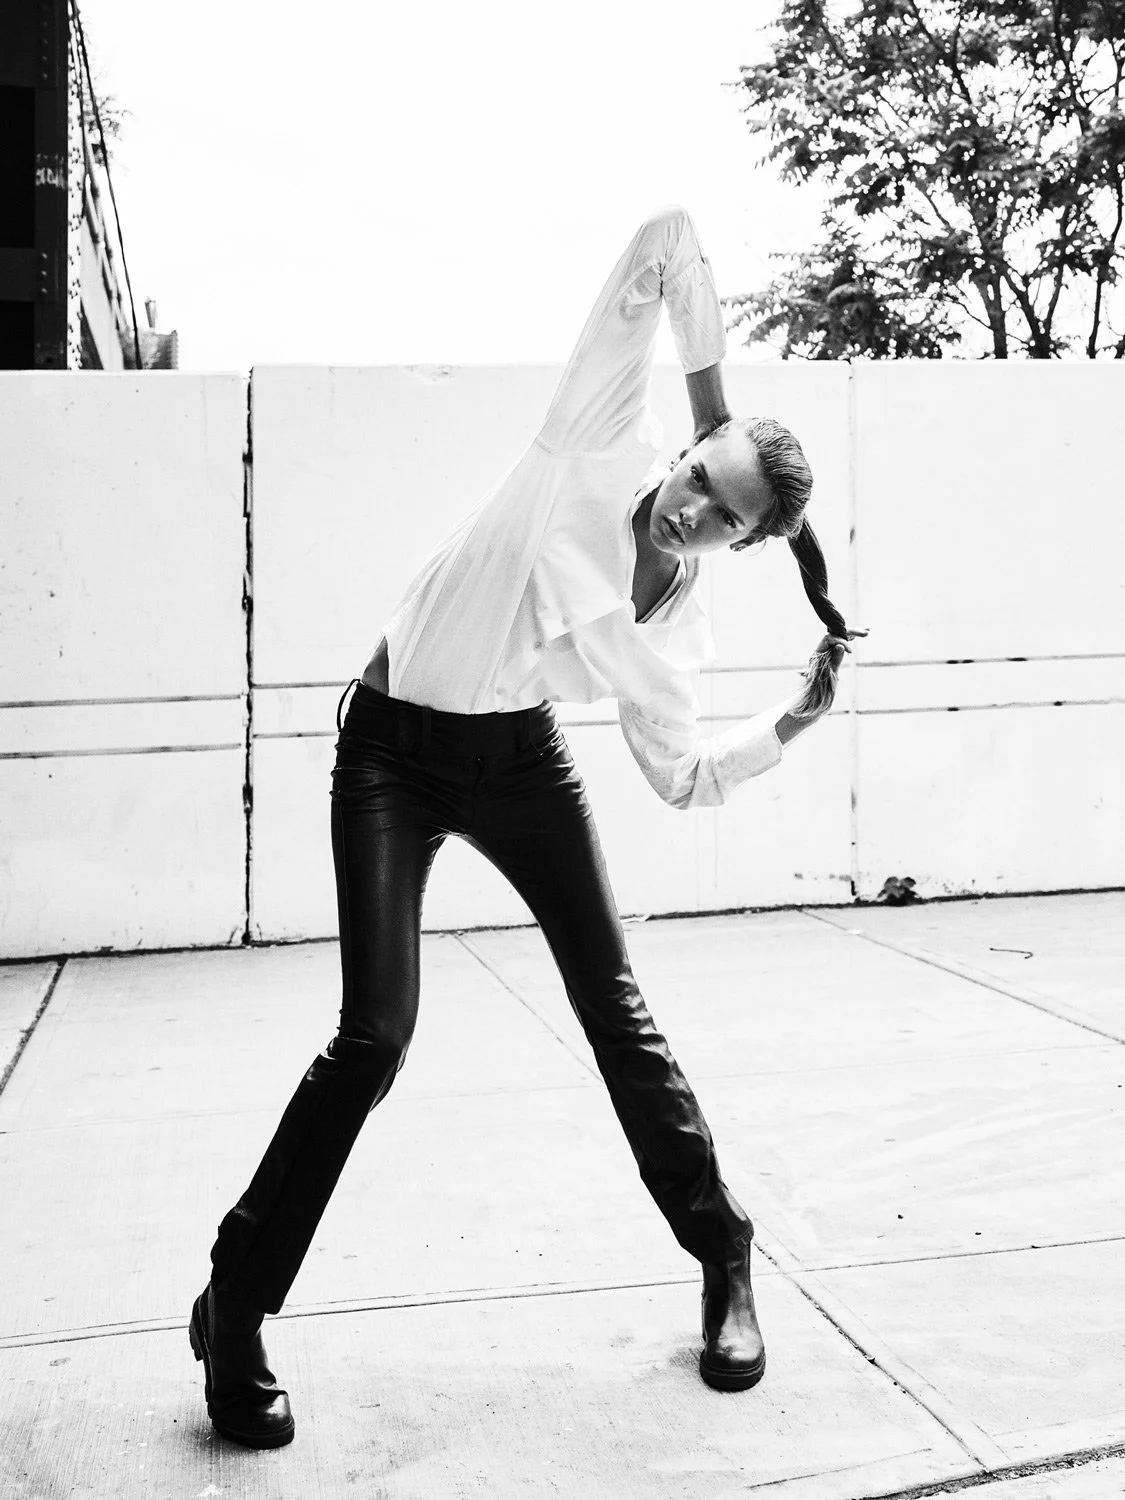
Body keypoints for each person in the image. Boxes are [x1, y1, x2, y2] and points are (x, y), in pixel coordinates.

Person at [189, 205, 864, 1448]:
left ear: (754, 542)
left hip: (519, 759)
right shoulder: (597, 437)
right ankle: (233, 1308)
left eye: (723, 517)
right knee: (376, 1039)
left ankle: (724, 1252)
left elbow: (678, 777)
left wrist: (794, 726)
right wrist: (715, 397)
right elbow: (668, 239)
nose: (689, 512)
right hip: (391, 747)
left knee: (616, 1008)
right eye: (702, 479)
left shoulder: (678, 633)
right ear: (694, 448)